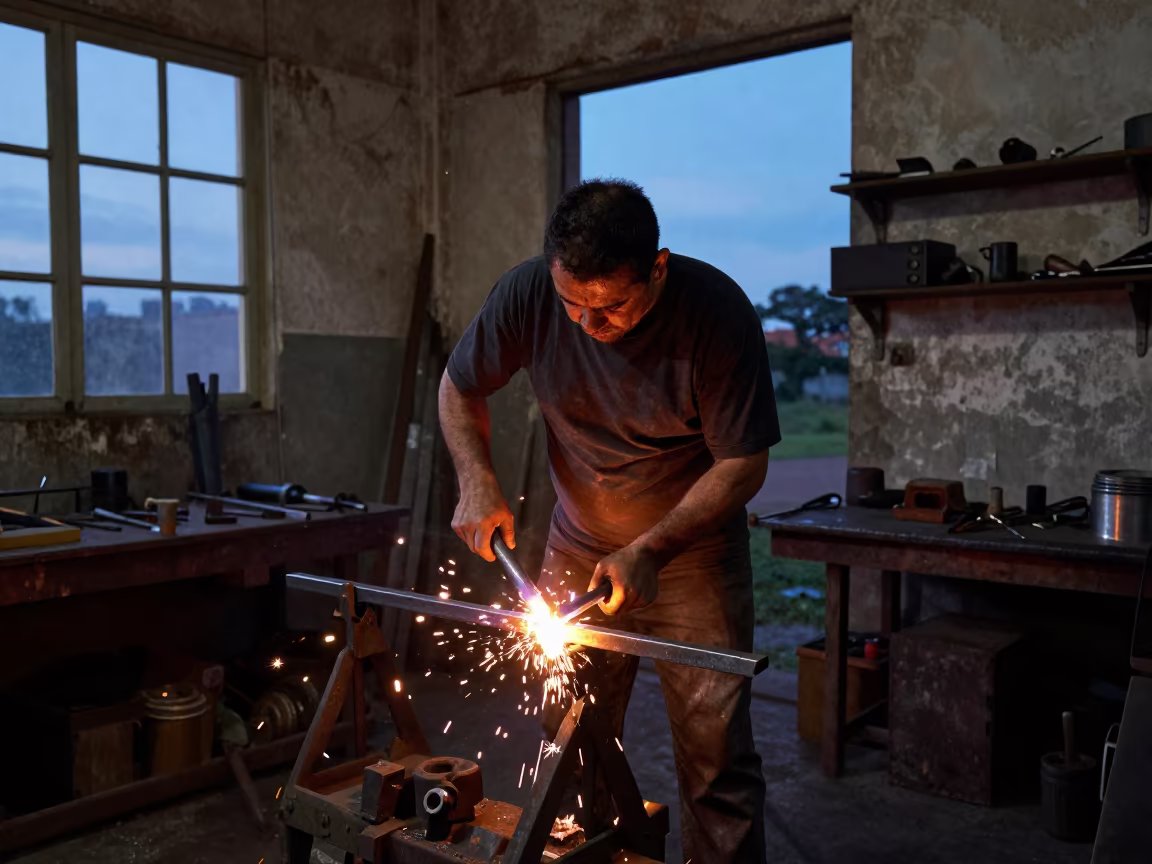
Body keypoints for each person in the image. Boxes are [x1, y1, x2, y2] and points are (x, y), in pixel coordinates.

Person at [439, 178, 779, 863]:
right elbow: (459, 385)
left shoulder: (715, 313)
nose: (591, 327)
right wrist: (476, 481)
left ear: (657, 268)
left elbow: (743, 465)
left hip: (693, 554)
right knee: (570, 731)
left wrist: (651, 547)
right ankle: (590, 853)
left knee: (716, 757)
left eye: (611, 308)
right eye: (574, 307)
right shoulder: (528, 294)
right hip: (579, 540)